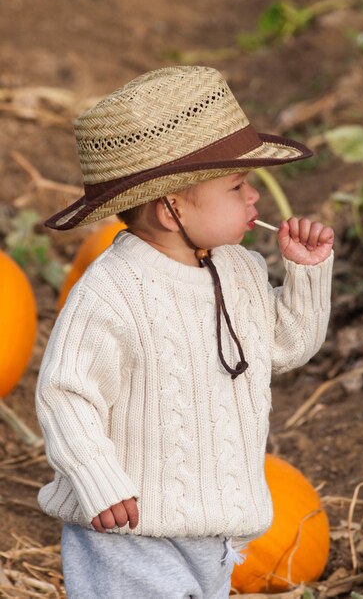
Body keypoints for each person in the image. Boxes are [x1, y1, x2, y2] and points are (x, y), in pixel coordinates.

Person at [36, 66, 334, 599]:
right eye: (237, 186)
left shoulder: (238, 268)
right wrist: (99, 479)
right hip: (126, 526)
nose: (254, 199)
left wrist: (306, 272)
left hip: (212, 529)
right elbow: (66, 394)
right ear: (171, 209)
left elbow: (287, 347)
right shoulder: (113, 289)